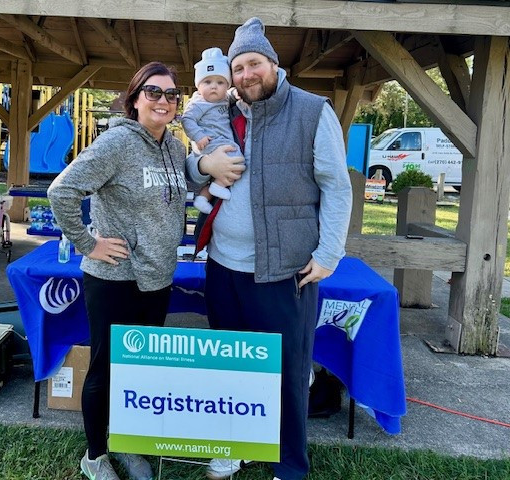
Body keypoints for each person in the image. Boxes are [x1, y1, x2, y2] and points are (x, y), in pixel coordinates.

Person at [185, 18, 352, 480]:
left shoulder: (312, 111)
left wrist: (329, 254)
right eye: (238, 67)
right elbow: (190, 170)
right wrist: (202, 162)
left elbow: (336, 188)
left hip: (285, 268)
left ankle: (289, 465)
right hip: (223, 264)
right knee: (229, 364)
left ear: (273, 65)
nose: (245, 75)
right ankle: (232, 446)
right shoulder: (222, 111)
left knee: (288, 372)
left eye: (254, 63)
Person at [47, 62, 188, 480]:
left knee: (140, 370)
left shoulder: (175, 148)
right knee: (107, 369)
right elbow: (62, 190)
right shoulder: (116, 143)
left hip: (158, 277)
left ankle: (127, 444)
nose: (163, 100)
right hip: (114, 279)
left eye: (171, 94)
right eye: (153, 92)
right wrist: (88, 243)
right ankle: (95, 454)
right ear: (134, 98)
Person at [181, 47, 244, 214]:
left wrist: (237, 94)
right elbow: (187, 119)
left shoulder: (224, 99)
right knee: (237, 160)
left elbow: (230, 95)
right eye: (207, 82)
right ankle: (217, 186)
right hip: (210, 141)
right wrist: (198, 136)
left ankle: (203, 197)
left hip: (221, 141)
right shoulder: (199, 103)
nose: (214, 87)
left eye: (220, 82)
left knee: (230, 165)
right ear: (198, 85)